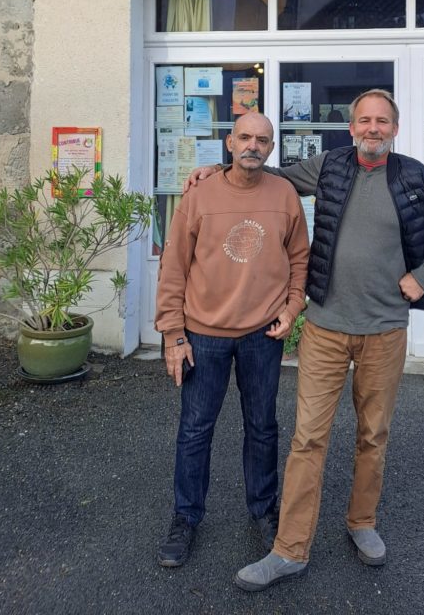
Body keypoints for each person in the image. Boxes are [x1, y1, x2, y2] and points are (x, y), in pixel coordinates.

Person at [188, 89, 424, 591]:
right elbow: (263, 171)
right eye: (364, 120)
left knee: (372, 435)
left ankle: (361, 523)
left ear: (394, 129)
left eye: (381, 121)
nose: (372, 128)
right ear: (351, 128)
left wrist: (423, 277)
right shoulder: (328, 167)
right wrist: (216, 168)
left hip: (385, 332)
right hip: (323, 329)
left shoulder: (413, 176)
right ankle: (289, 549)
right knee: (307, 439)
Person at [154, 112, 309, 569]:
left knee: (263, 427)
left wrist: (292, 306)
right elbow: (174, 267)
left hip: (264, 333)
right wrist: (172, 334)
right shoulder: (198, 195)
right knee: (195, 429)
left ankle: (263, 510)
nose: (253, 146)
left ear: (271, 146)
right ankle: (186, 517)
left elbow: (300, 258)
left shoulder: (284, 195)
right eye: (244, 136)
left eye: (262, 139)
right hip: (203, 335)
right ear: (228, 142)